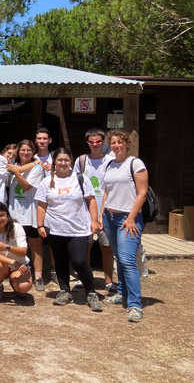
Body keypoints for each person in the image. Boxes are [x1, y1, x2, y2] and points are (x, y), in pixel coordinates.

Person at [35, 147, 103, 312]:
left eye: (66, 160)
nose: (63, 163)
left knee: (79, 261)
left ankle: (91, 292)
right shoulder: (47, 182)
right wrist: (40, 225)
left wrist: (94, 220)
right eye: (60, 160)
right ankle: (64, 290)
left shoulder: (80, 179)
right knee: (60, 261)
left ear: (71, 161)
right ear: (54, 162)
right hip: (56, 229)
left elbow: (91, 200)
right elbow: (42, 205)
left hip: (78, 229)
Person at [101, 129, 150, 322]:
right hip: (110, 217)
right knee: (118, 258)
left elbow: (142, 193)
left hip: (128, 219)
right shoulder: (110, 164)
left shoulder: (135, 163)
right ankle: (122, 292)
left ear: (127, 144)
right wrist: (101, 215)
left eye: (120, 142)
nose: (117, 145)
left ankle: (135, 304)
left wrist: (131, 217)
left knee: (127, 260)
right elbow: (106, 191)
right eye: (113, 142)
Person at [73, 128, 116, 295]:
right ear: (88, 143)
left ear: (103, 142)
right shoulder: (82, 161)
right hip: (85, 212)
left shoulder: (111, 161)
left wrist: (101, 214)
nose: (95, 144)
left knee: (106, 247)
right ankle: (83, 278)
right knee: (86, 247)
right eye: (92, 142)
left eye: (98, 141)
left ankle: (109, 281)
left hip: (106, 211)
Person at [6, 139, 45, 291]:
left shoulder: (37, 169)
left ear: (33, 152)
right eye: (22, 150)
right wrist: (16, 170)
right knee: (16, 245)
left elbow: (27, 186)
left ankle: (39, 276)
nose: (25, 153)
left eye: (29, 150)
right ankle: (17, 273)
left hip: (30, 213)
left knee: (35, 244)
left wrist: (17, 171)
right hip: (14, 213)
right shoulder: (13, 166)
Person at [0, 203, 32, 303]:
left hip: (20, 264)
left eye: (2, 215)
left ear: (7, 215)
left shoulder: (17, 227)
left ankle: (16, 286)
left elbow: (23, 252)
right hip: (3, 265)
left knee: (24, 287)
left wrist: (6, 247)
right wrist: (13, 262)